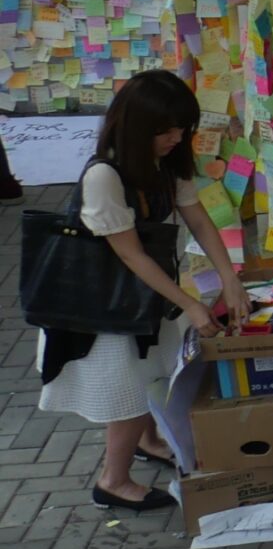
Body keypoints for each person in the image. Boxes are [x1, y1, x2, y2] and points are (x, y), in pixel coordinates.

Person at [36, 70, 249, 508]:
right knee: (129, 393)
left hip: (146, 296)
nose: (175, 138)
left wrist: (229, 276)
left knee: (154, 375)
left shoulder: (166, 163)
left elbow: (198, 219)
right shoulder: (105, 177)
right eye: (165, 131)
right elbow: (130, 255)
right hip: (106, 309)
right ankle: (112, 482)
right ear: (136, 128)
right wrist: (191, 305)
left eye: (181, 129)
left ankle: (148, 440)